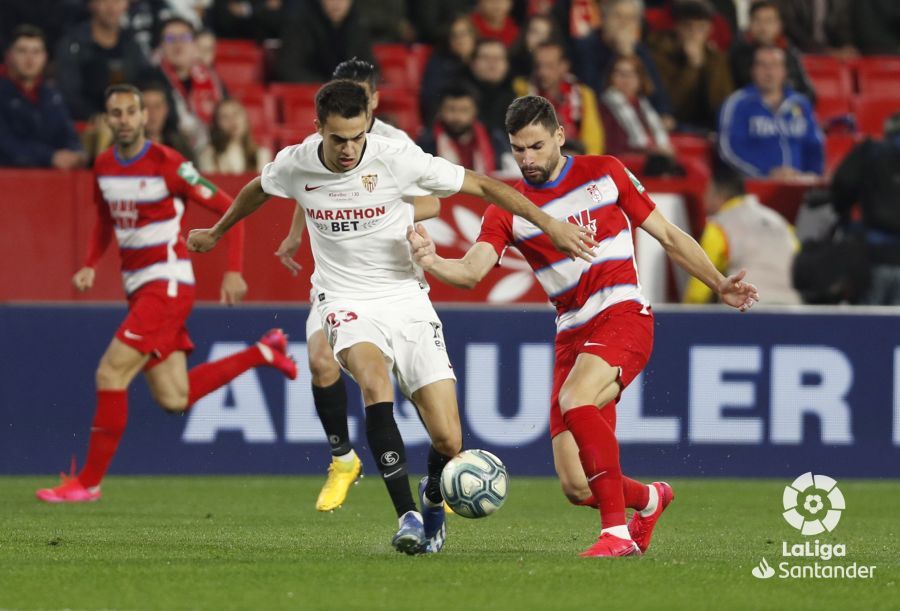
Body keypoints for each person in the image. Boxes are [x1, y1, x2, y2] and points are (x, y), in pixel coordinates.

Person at [187, 80, 594, 554]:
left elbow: (482, 184)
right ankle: (407, 517)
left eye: (357, 136)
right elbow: (259, 188)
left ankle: (432, 496)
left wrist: (549, 223)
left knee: (448, 437)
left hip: (406, 297)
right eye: (337, 138)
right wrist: (217, 232)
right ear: (318, 128)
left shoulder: (396, 157)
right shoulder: (297, 162)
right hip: (343, 299)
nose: (348, 148)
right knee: (374, 382)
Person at [406, 95, 759, 557]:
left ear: (558, 136)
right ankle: (650, 500)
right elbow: (472, 272)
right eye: (518, 149)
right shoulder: (511, 206)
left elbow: (670, 237)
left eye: (535, 146)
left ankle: (615, 536)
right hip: (572, 332)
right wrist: (432, 260)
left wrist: (717, 282)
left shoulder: (605, 172)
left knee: (576, 399)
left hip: (623, 313)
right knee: (575, 485)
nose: (527, 159)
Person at [35, 84, 297, 504]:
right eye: (114, 113)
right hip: (140, 290)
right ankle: (263, 352)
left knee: (110, 374)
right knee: (174, 397)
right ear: (106, 119)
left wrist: (232, 271)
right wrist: (89, 263)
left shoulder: (168, 164)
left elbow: (231, 208)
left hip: (167, 284)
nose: (123, 120)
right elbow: (105, 221)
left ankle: (87, 482)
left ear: (144, 117)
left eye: (130, 112)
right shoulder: (103, 165)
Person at [273, 58, 442, 514]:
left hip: (391, 277)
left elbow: (432, 202)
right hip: (338, 281)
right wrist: (295, 232)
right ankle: (342, 459)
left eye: (360, 97)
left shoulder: (394, 144)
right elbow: (312, 184)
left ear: (374, 101)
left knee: (413, 387)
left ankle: (442, 466)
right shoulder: (325, 141)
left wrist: (381, 212)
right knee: (320, 360)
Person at [684, 161, 800, 304]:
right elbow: (800, 266)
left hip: (747, 311)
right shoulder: (781, 223)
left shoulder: (719, 226)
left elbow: (697, 293)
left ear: (718, 194)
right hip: (793, 308)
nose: (703, 198)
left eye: (706, 192)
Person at [718, 45, 823, 179]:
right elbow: (729, 150)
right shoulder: (737, 104)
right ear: (753, 70)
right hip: (753, 186)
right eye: (762, 65)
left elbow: (814, 146)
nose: (769, 72)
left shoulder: (801, 104)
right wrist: (766, 173)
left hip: (798, 184)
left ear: (784, 71)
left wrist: (812, 175)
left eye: (774, 65)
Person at [831, 113, 900, 305]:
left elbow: (843, 183)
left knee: (867, 329)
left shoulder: (871, 151)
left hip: (873, 255)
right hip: (876, 252)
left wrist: (843, 215)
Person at [0, 25, 86, 169]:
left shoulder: (52, 95)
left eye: (36, 52)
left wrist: (76, 153)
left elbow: (67, 133)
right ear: (9, 56)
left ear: (45, 57)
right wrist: (50, 157)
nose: (30, 59)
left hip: (53, 182)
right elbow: (5, 143)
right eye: (22, 51)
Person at [143, 17, 226, 157]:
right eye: (170, 39)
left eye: (184, 37)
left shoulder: (210, 77)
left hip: (210, 147)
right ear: (161, 45)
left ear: (194, 44)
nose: (178, 44)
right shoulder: (148, 78)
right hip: (168, 149)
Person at [54, 0, 150, 121]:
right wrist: (98, 118)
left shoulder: (132, 43)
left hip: (129, 121)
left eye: (117, 1)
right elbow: (69, 95)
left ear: (127, 4)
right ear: (91, 5)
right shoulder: (73, 44)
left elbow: (145, 82)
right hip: (86, 125)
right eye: (104, 1)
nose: (111, 7)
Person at [648, 0, 734, 133]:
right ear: (677, 27)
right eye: (688, 27)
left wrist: (704, 66)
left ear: (709, 29)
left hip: (709, 127)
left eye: (701, 27)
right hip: (673, 126)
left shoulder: (716, 58)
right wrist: (692, 67)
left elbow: (720, 104)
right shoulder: (660, 53)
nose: (694, 33)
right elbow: (673, 105)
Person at [513, 42, 604, 155]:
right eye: (538, 66)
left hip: (575, 160)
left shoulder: (582, 95)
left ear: (564, 66)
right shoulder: (522, 93)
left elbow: (593, 141)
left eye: (549, 66)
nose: (542, 72)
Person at [729, 0, 816, 104]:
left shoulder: (789, 50)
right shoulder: (739, 52)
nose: (763, 27)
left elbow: (807, 91)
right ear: (750, 24)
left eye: (769, 21)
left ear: (779, 25)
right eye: (758, 20)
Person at [418, 84, 510, 175]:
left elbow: (508, 170)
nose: (457, 117)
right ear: (440, 111)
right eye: (451, 109)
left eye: (464, 110)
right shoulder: (427, 141)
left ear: (475, 111)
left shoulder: (493, 137)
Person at [276, 0, 375, 83]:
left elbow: (369, 68)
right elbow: (289, 69)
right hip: (309, 96)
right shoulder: (299, 23)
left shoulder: (358, 25)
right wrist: (329, 87)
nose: (337, 3)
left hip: (347, 97)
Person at [598, 54, 673, 158]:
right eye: (620, 74)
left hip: (647, 157)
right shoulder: (605, 106)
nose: (625, 79)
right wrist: (652, 151)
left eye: (631, 74)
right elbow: (614, 146)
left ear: (640, 78)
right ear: (610, 77)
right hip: (624, 160)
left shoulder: (641, 104)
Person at [199, 99, 272, 173]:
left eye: (236, 113)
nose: (232, 120)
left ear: (245, 118)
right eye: (225, 117)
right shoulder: (209, 154)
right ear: (217, 124)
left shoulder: (261, 154)